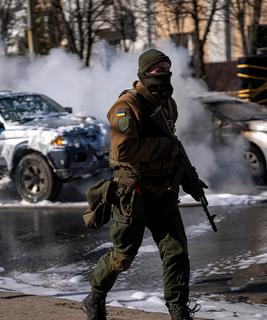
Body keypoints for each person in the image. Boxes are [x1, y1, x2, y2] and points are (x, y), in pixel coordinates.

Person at [82, 49, 203, 320]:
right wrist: (162, 147)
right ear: (144, 73)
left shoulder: (168, 104)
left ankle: (178, 310)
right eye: (159, 70)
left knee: (177, 252)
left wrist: (189, 180)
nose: (165, 74)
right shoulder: (128, 105)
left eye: (168, 69)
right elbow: (122, 152)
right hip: (133, 193)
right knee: (122, 257)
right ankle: (95, 297)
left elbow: (175, 147)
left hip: (163, 191)